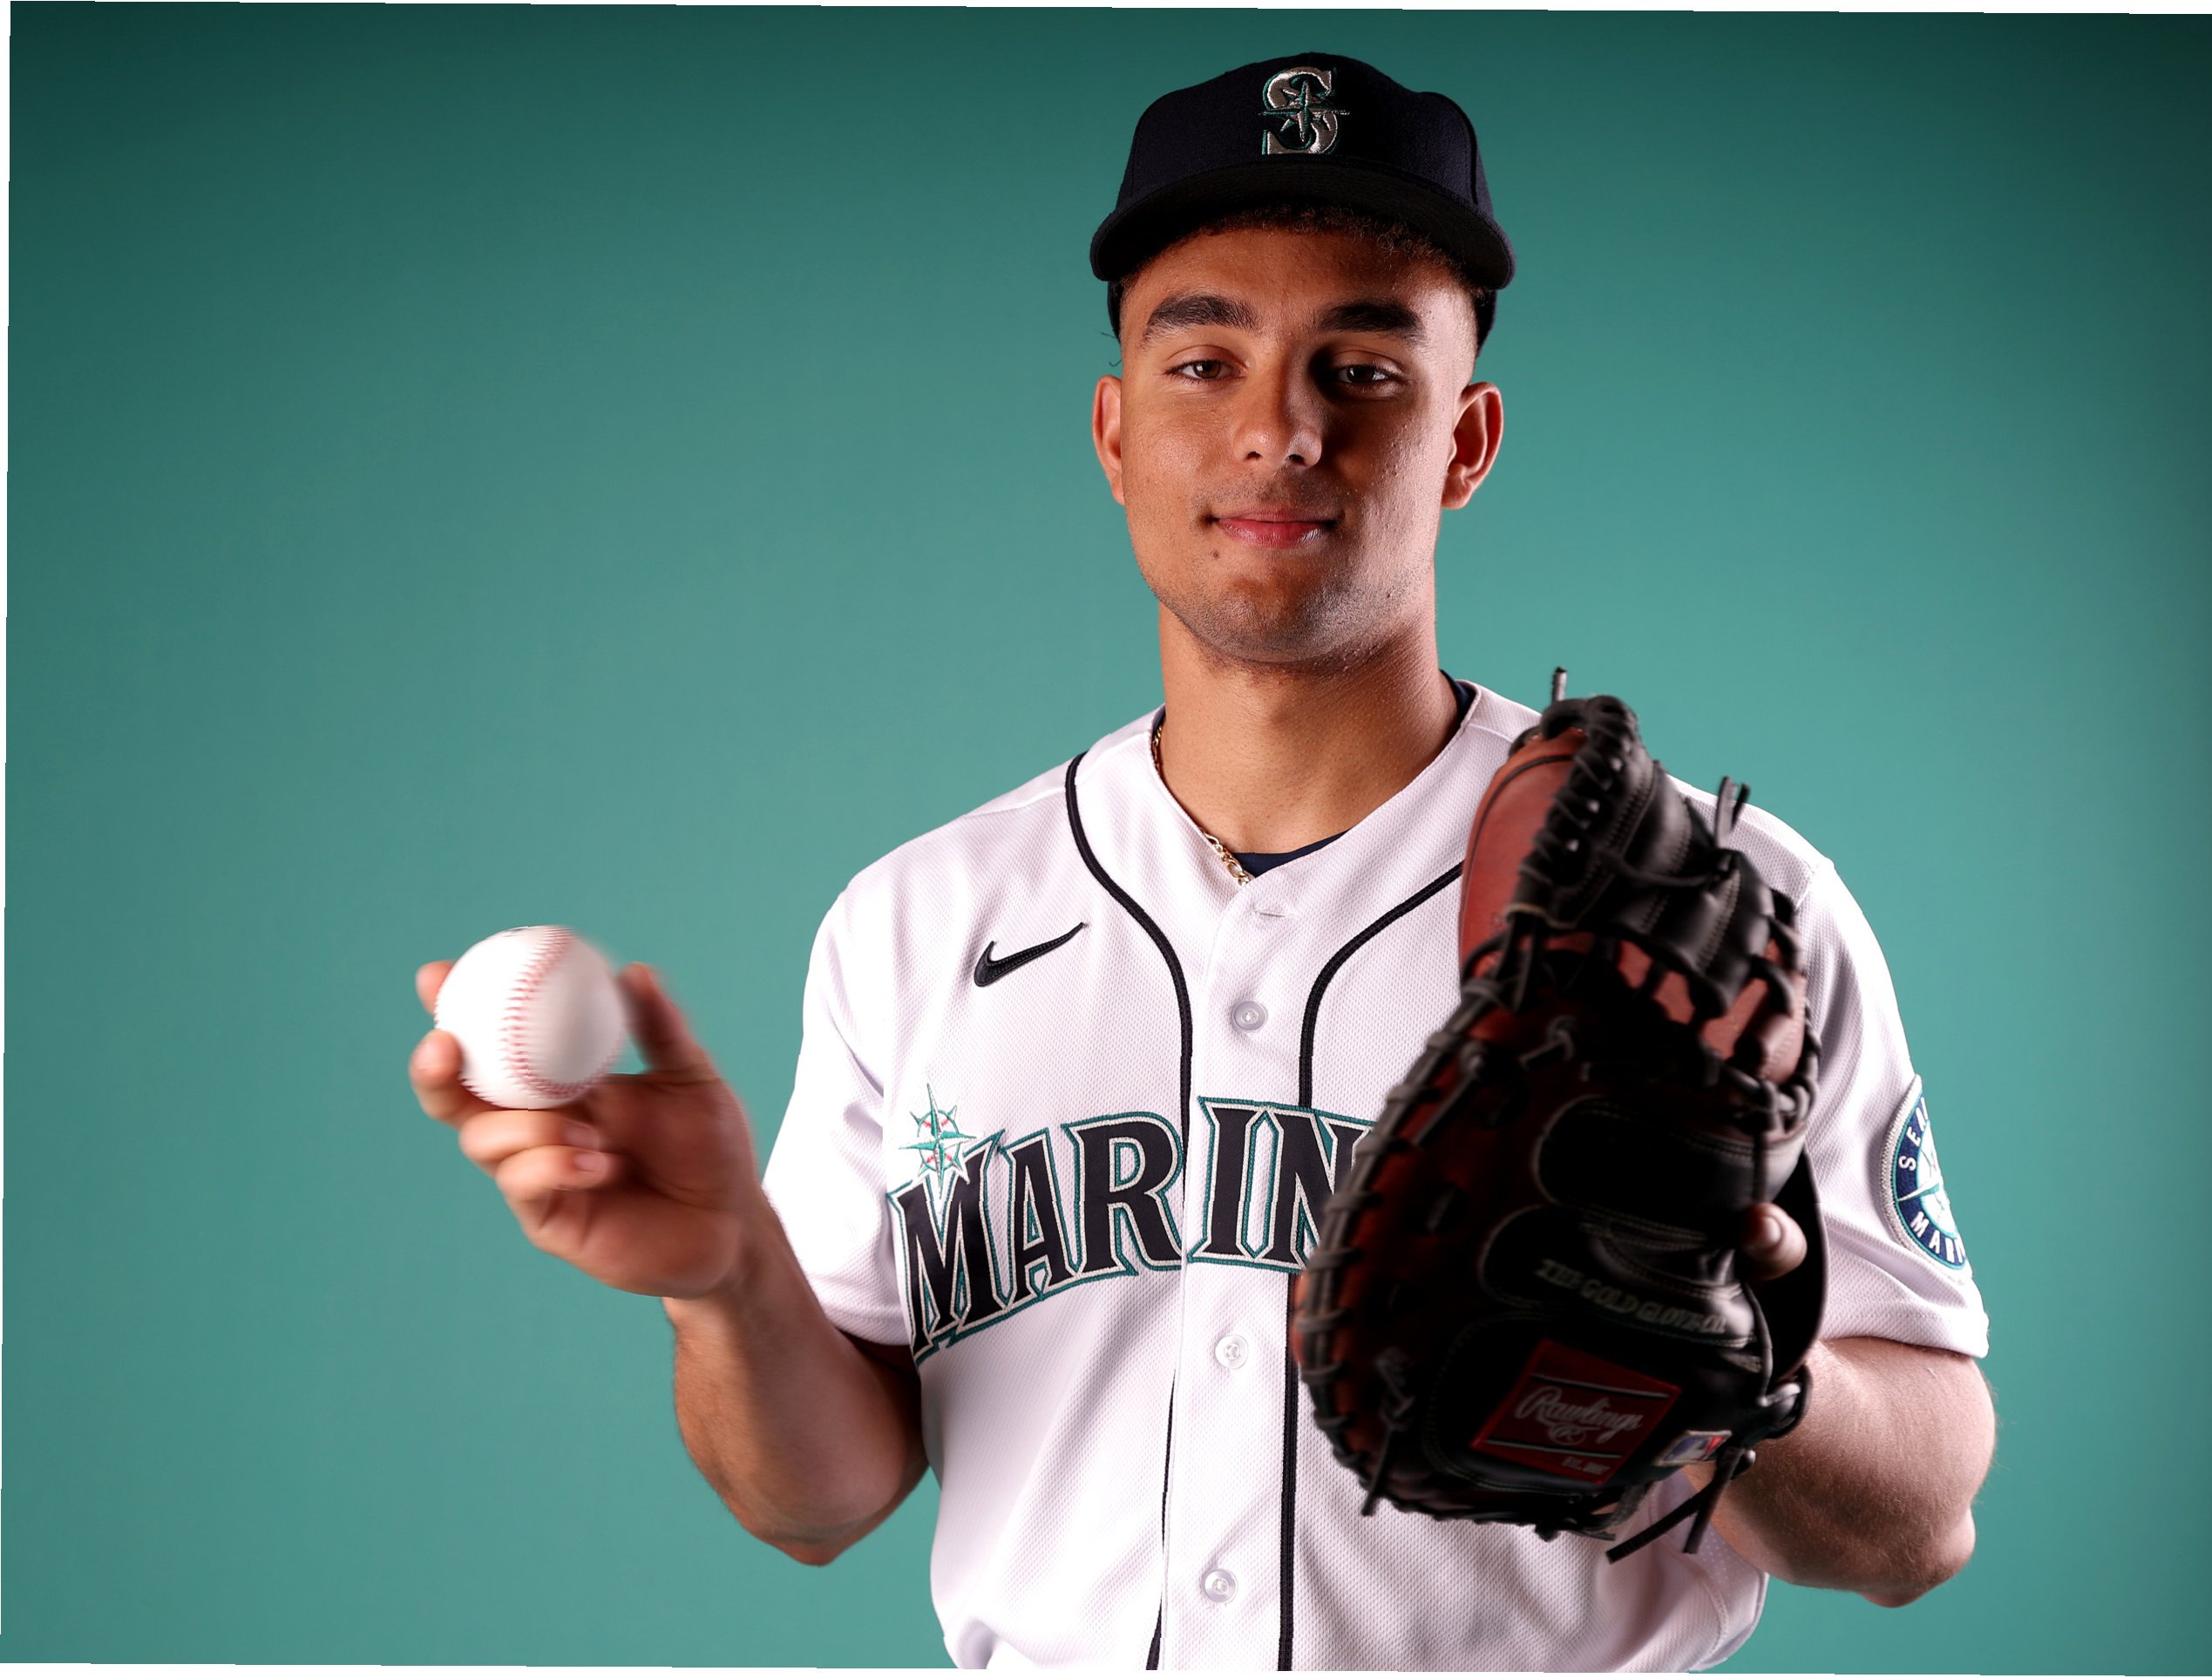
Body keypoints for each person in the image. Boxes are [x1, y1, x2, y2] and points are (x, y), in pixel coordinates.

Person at [411, 51, 1994, 1671]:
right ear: (1115, 432)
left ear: (1464, 440)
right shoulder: (918, 919)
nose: (1279, 430)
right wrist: (725, 1275)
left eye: (1360, 368)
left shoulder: (1706, 911)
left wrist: (1728, 1371)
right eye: (1202, 361)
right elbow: (814, 1502)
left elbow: (1915, 1526)